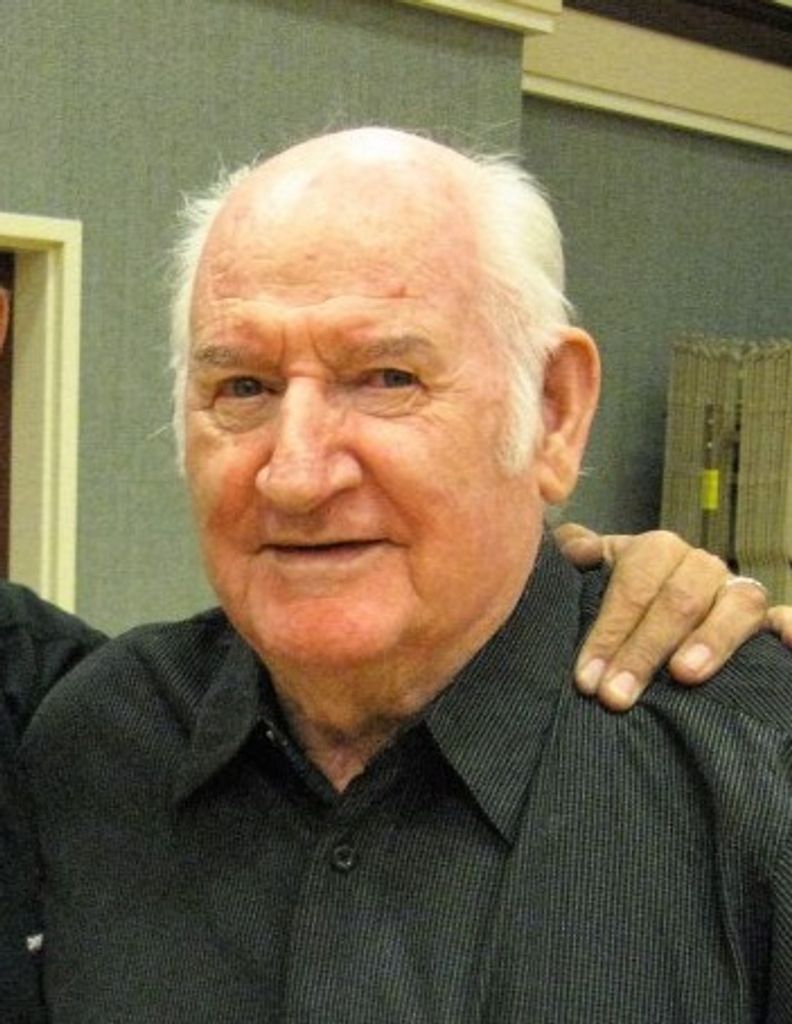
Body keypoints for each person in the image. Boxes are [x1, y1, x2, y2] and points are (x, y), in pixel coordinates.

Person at [18, 130, 792, 1021]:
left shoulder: (758, 775)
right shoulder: (99, 741)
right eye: (243, 388)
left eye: (387, 378)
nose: (297, 475)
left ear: (554, 412)